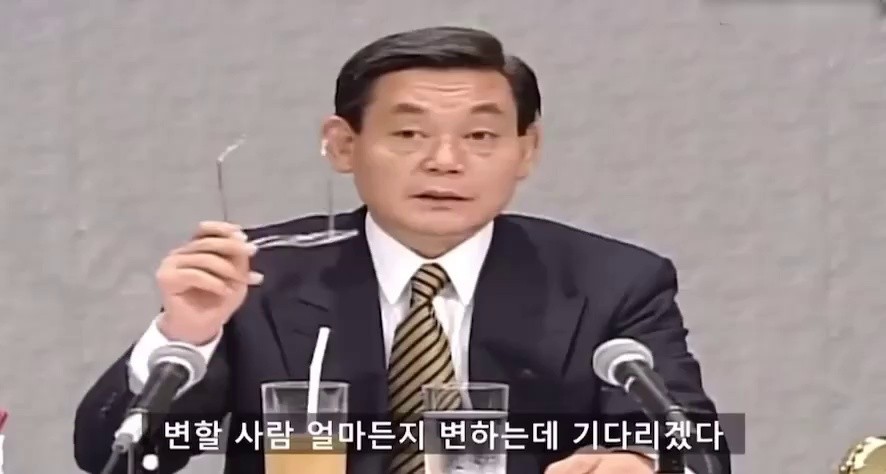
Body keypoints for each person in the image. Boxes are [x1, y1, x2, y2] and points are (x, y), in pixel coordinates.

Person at [73, 26, 731, 474]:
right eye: (410, 134)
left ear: (526, 150)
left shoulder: (610, 282)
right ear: (343, 144)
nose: (445, 161)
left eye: (480, 136)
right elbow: (110, 454)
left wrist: (642, 461)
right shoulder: (257, 278)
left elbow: (698, 443)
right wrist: (185, 336)